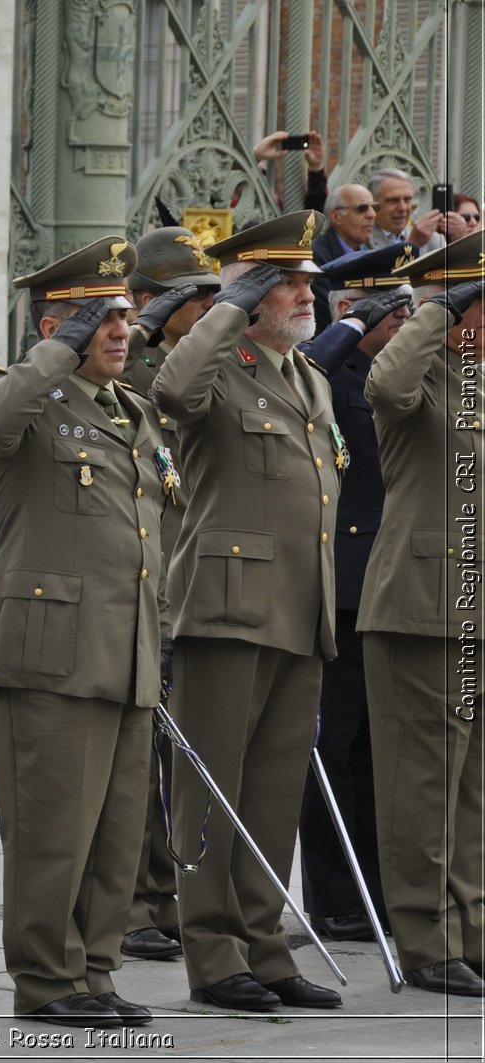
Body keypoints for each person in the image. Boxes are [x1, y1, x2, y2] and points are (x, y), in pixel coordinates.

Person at [0, 238, 165, 1029]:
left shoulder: (131, 410)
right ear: (58, 325)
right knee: (53, 833)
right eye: (99, 317)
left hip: (126, 653)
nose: (119, 329)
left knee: (116, 840)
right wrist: (59, 346)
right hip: (52, 657)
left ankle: (95, 968)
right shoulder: (26, 401)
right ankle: (46, 978)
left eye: (121, 314)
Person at [152, 211, 344, 1013]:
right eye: (286, 282)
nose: (304, 294)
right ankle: (214, 953)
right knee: (212, 791)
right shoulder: (215, 363)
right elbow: (171, 391)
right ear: (251, 291)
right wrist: (229, 303)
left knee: (269, 795)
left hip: (303, 608)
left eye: (304, 280)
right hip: (227, 610)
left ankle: (266, 946)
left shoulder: (310, 376)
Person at [360, 233, 485, 995]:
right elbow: (384, 384)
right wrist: (440, 308)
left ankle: (471, 929)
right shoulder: (420, 377)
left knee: (473, 792)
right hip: (422, 607)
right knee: (424, 787)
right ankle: (426, 937)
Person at [292, 245, 414, 947]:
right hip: (339, 584)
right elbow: (306, 369)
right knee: (332, 749)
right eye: (389, 310)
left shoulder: (383, 376)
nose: (402, 321)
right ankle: (334, 895)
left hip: (382, 582)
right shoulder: (329, 373)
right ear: (352, 311)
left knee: (372, 749)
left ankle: (374, 889)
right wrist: (339, 331)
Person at [116, 226, 220, 964]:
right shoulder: (140, 363)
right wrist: (147, 325)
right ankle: (134, 902)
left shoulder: (202, 360)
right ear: (151, 301)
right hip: (145, 578)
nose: (212, 306)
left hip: (181, 578)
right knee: (138, 764)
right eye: (196, 295)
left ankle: (164, 893)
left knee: (168, 758)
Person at [312, 184, 376, 332]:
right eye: (362, 208)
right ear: (336, 217)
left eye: (374, 207)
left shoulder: (372, 252)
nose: (372, 214)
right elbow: (331, 310)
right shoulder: (316, 256)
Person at [366, 168, 463, 253]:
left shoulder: (433, 240)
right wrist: (412, 244)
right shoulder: (362, 240)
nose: (403, 208)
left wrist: (458, 240)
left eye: (408, 199)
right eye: (393, 200)